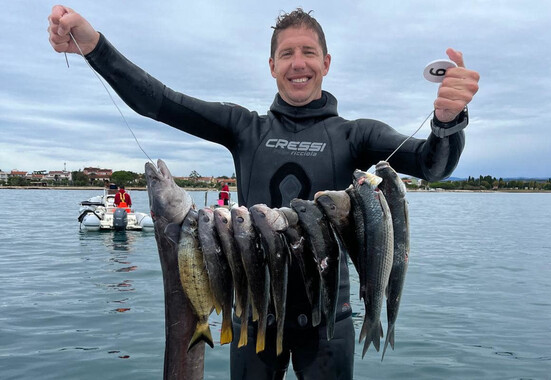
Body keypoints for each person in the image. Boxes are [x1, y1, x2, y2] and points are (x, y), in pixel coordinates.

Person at [48, 6, 479, 379]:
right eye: (286, 53)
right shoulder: (244, 128)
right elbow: (159, 101)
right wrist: (94, 46)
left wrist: (447, 122)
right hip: (253, 319)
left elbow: (431, 165)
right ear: (271, 65)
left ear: (327, 62)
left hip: (330, 321)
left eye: (308, 52)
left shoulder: (355, 136)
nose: (298, 63)